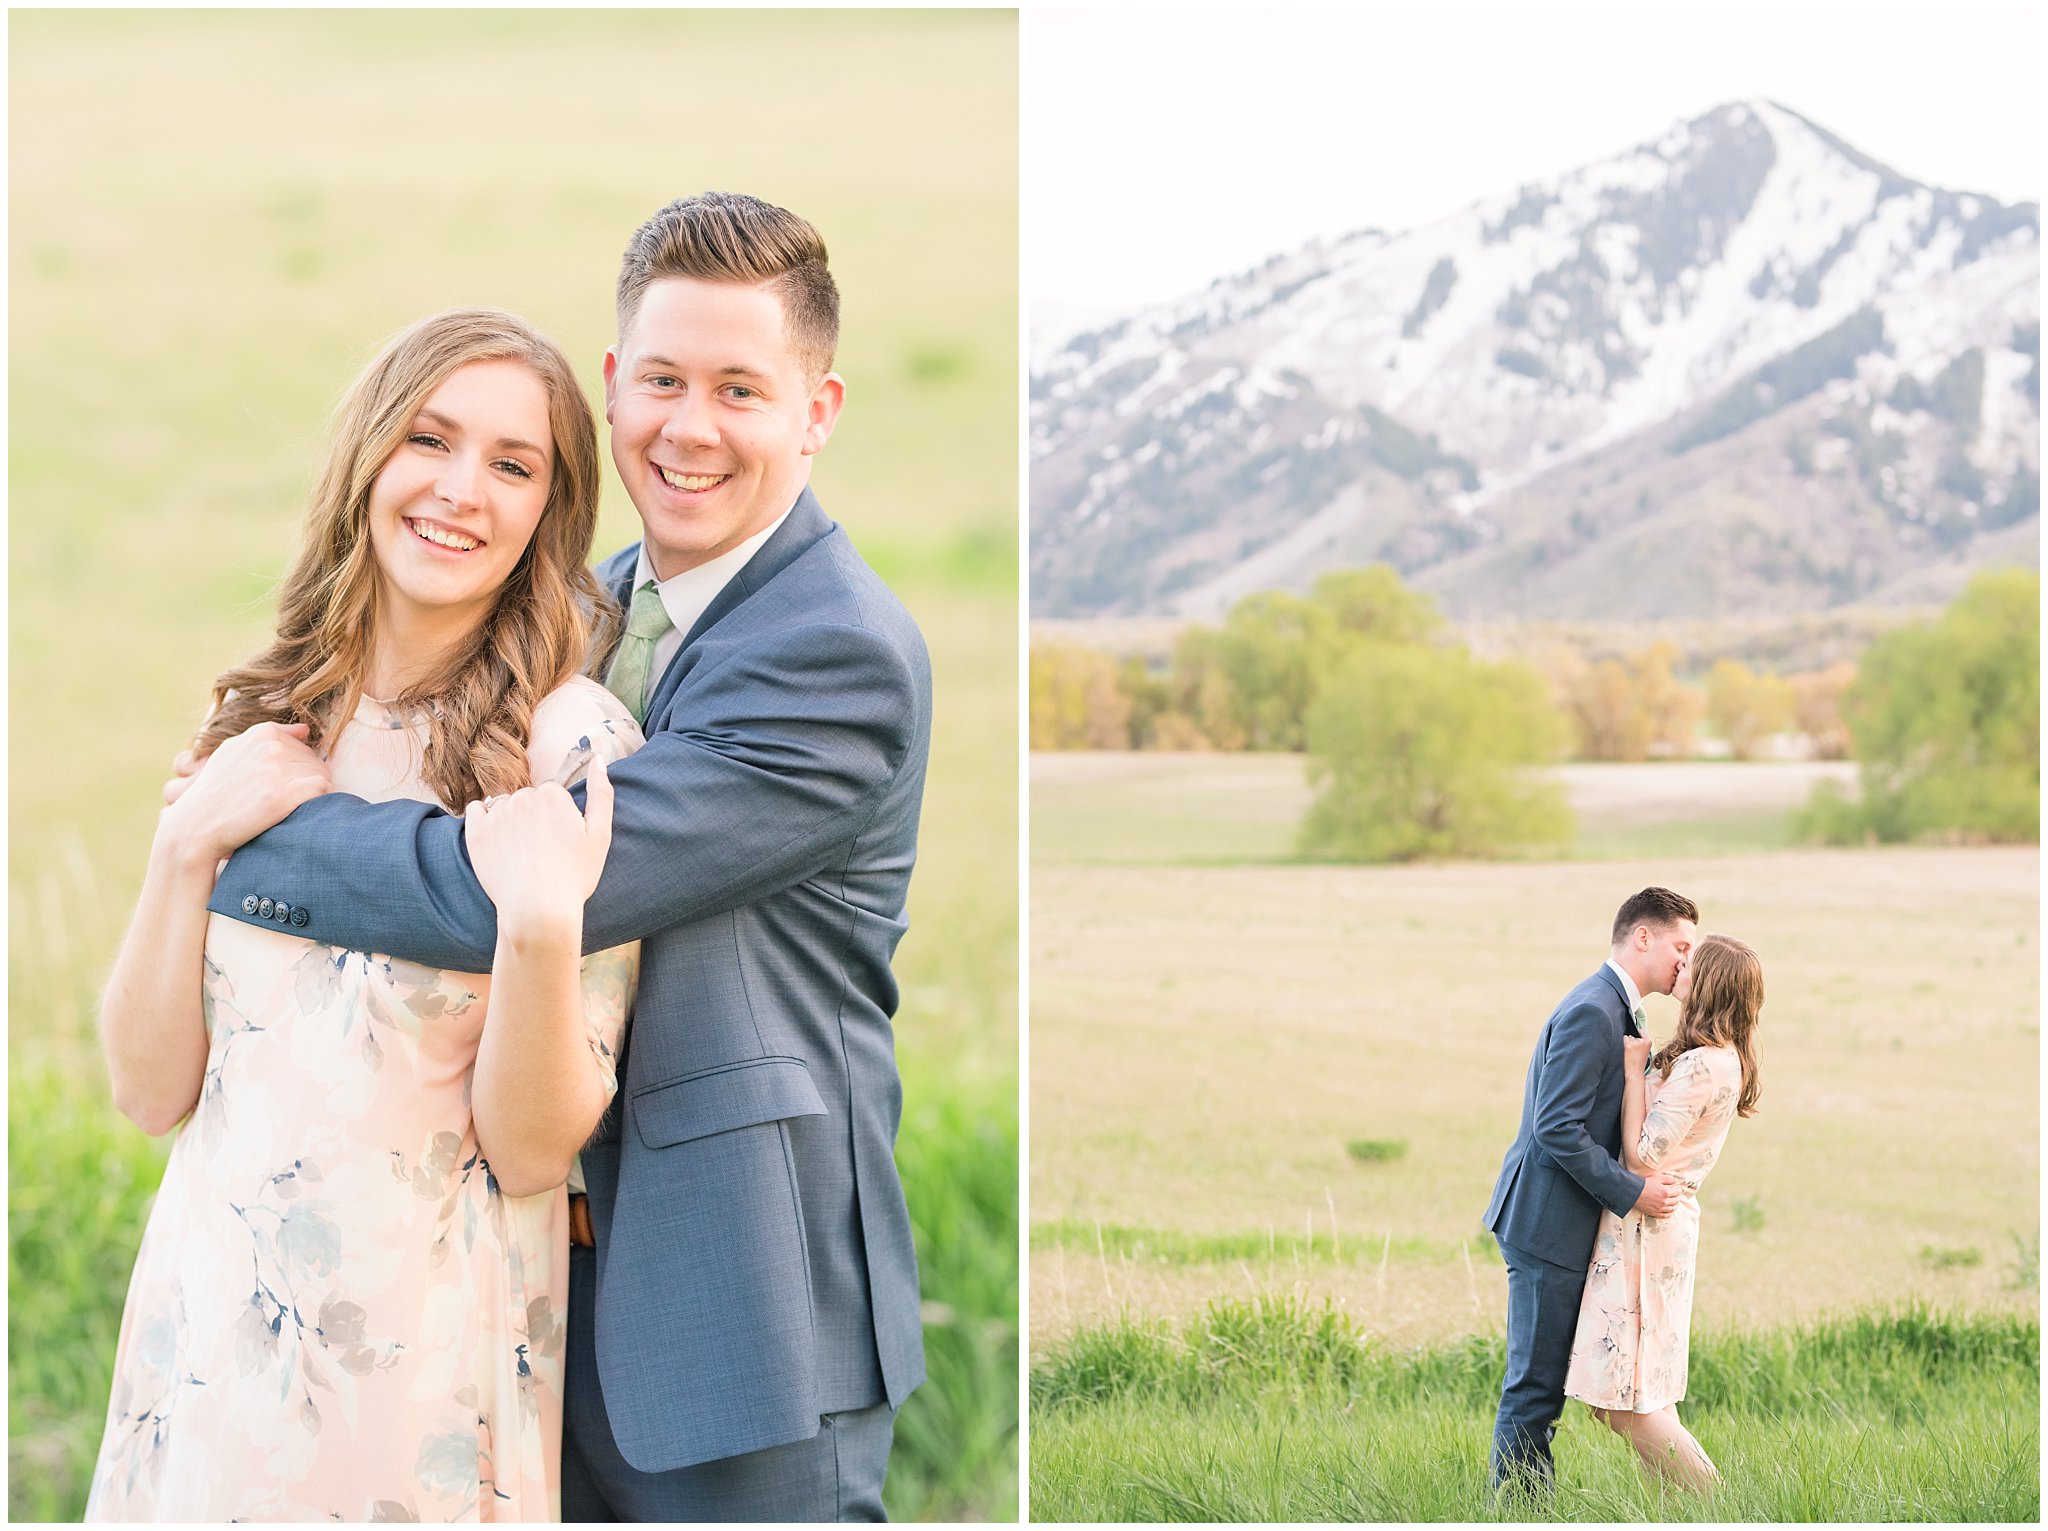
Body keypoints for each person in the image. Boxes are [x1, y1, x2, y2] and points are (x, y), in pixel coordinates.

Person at [177, 192, 932, 1521]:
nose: (690, 427)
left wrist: (234, 835)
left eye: (741, 389)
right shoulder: (601, 599)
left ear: (816, 411)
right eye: (663, 380)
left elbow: (520, 884)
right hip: (527, 1275)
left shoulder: (835, 650)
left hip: (732, 1282)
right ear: (613, 384)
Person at [88, 309, 644, 1520]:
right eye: (429, 440)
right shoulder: (265, 716)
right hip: (213, 1331)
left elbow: (538, 1150)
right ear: (369, 459)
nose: (459, 490)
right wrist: (184, 849)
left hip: (422, 1372)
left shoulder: (571, 746)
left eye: (513, 464)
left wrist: (542, 926)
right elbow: (148, 1092)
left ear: (551, 515)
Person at [1482, 886, 1699, 1493]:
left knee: (1541, 1386)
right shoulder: (1593, 1009)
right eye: (1680, 945)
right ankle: (1521, 1513)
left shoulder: (1618, 1007)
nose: (1687, 960)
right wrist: (1633, 1191)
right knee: (1534, 1389)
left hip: (1564, 1221)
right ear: (1643, 936)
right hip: (1547, 1224)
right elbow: (1556, 1127)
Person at [1565, 932, 1764, 1490]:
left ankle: (1713, 1500)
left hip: (1646, 1233)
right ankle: (1682, 1506)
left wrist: (1633, 1069)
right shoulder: (1714, 1057)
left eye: (1691, 962)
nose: (1681, 964)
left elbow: (1642, 1154)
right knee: (1633, 1392)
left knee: (1623, 1400)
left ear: (1709, 984)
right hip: (1648, 1227)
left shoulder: (1705, 1065)